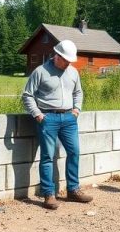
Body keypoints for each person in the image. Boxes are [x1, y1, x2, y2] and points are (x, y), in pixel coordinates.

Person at [21, 39, 93, 210]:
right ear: (57, 56)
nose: (68, 63)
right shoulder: (40, 72)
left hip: (69, 118)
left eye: (70, 60)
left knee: (74, 152)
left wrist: (76, 110)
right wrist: (38, 115)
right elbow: (27, 95)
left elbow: (78, 92)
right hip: (48, 119)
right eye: (66, 59)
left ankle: (73, 190)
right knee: (47, 156)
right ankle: (48, 194)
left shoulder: (73, 72)